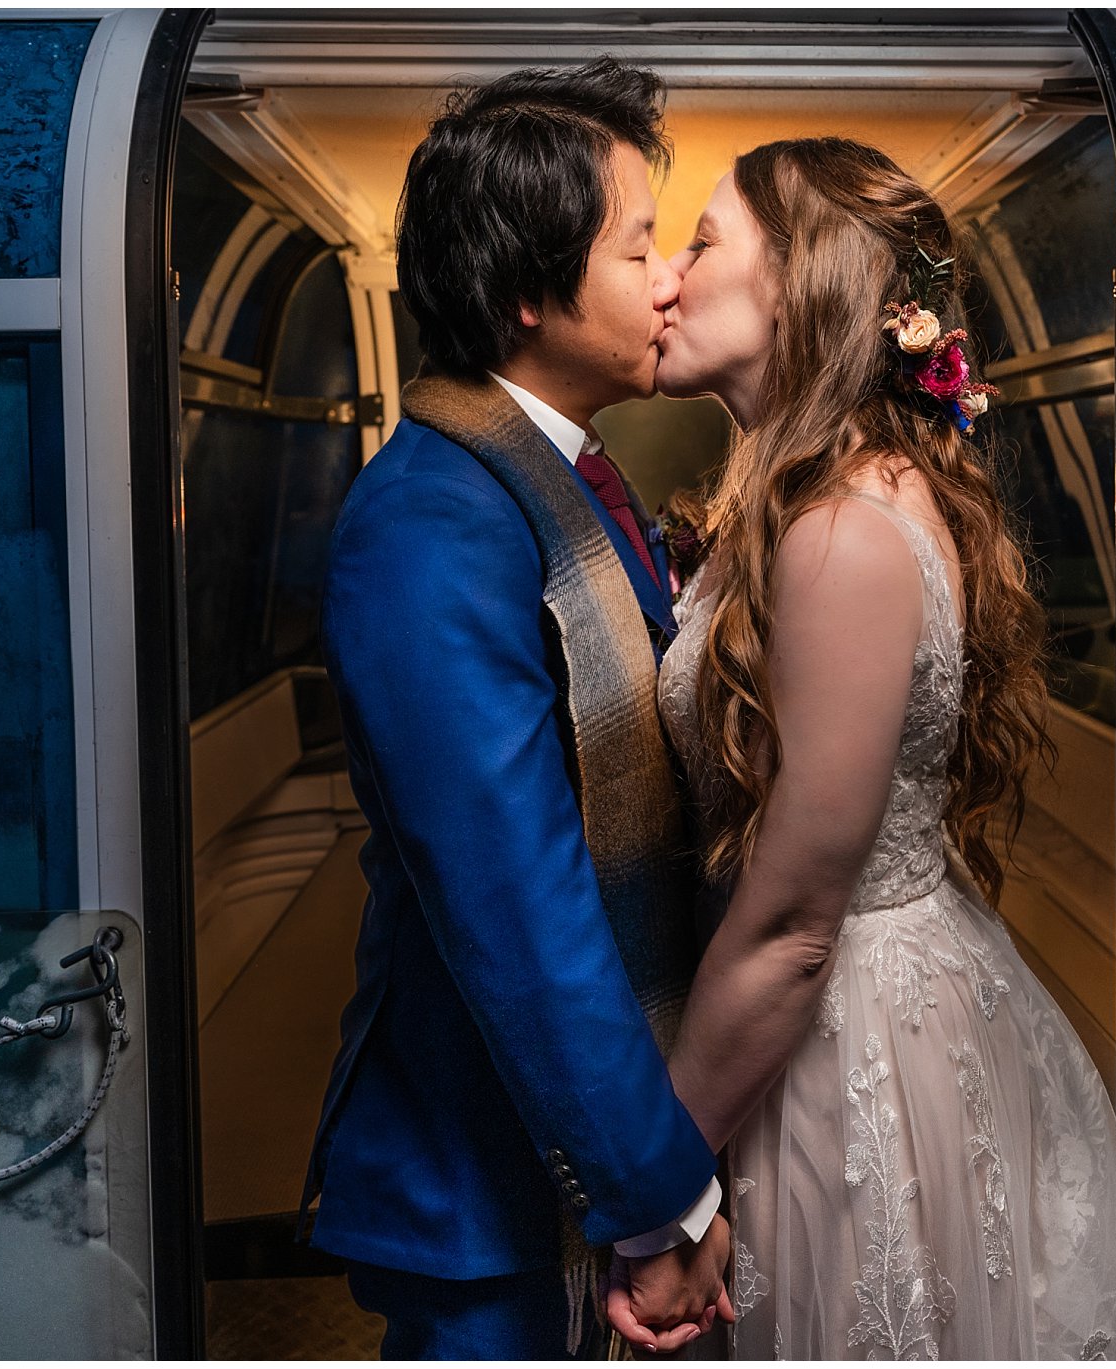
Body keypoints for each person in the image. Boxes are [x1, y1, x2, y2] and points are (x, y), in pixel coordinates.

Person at [617, 137, 1116, 1358]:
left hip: (841, 1032)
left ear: (802, 284)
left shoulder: (837, 537)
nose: (664, 278)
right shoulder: (811, 506)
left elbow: (792, 922)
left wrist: (657, 1195)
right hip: (844, 997)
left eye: (702, 243)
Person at [299, 59, 735, 1360]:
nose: (668, 281)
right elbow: (518, 899)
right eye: (640, 246)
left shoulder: (552, 477)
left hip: (551, 1154)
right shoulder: (434, 523)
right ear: (532, 291)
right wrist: (660, 1195)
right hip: (485, 1184)